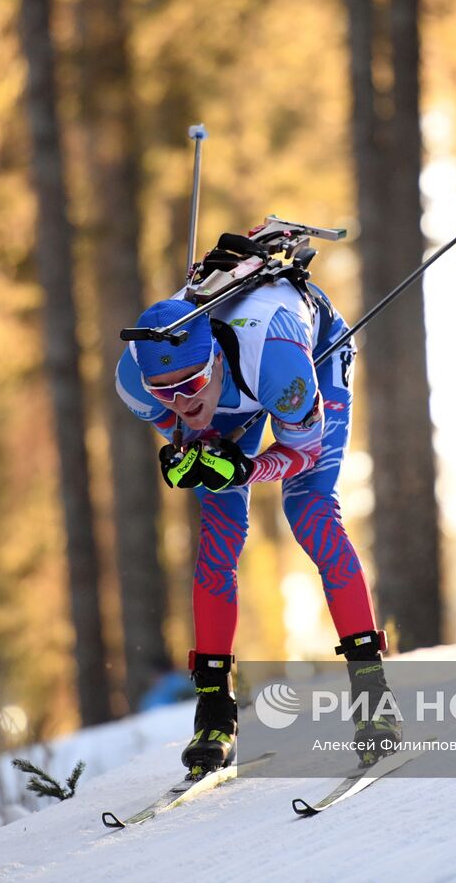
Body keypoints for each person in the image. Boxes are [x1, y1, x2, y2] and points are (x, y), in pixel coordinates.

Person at [115, 249, 400, 777]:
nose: (179, 401)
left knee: (309, 512)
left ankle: (372, 697)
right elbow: (189, 425)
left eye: (191, 384)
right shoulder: (136, 380)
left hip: (309, 355)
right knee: (220, 532)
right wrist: (190, 456)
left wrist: (243, 469)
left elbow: (303, 452)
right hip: (237, 387)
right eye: (165, 392)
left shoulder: (278, 365)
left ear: (215, 362)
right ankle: (214, 711)